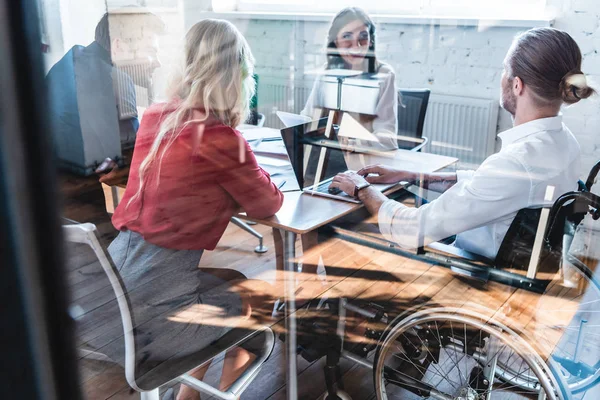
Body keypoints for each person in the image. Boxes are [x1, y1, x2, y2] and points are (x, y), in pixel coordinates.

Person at [108, 19, 283, 400]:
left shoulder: (157, 116)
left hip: (112, 297)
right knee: (258, 306)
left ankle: (188, 395)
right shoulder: (221, 138)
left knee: (233, 280)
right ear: (237, 75)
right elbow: (268, 202)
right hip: (157, 319)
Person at [330, 27, 595, 262]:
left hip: (475, 272)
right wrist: (413, 176)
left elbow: (412, 228)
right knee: (407, 197)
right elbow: (491, 186)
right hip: (518, 263)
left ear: (517, 85)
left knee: (350, 225)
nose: (501, 77)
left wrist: (362, 188)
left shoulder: (517, 162)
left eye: (505, 70)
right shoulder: (564, 142)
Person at [46, 11, 164, 175]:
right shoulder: (116, 79)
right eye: (150, 51)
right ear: (118, 46)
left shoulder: (73, 58)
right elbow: (133, 156)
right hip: (75, 190)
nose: (158, 62)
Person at [301, 7, 398, 150]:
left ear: (371, 41)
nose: (356, 46)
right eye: (347, 36)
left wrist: (351, 144)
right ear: (336, 41)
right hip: (329, 155)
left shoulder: (383, 75)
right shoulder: (327, 72)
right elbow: (309, 117)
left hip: (365, 160)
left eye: (363, 36)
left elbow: (387, 140)